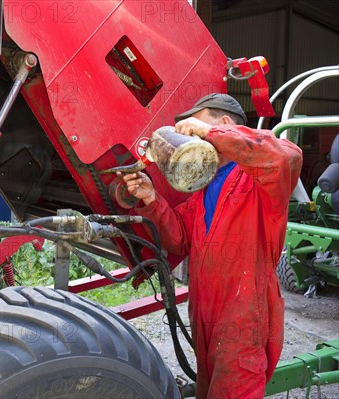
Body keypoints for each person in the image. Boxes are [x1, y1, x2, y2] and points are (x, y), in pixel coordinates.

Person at [122, 94, 303, 398]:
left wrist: (207, 133)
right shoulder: (202, 188)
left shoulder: (260, 182)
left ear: (224, 124)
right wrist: (151, 198)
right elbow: (178, 237)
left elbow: (285, 156)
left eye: (195, 123)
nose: (187, 133)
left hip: (243, 311)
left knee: (235, 388)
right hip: (205, 310)